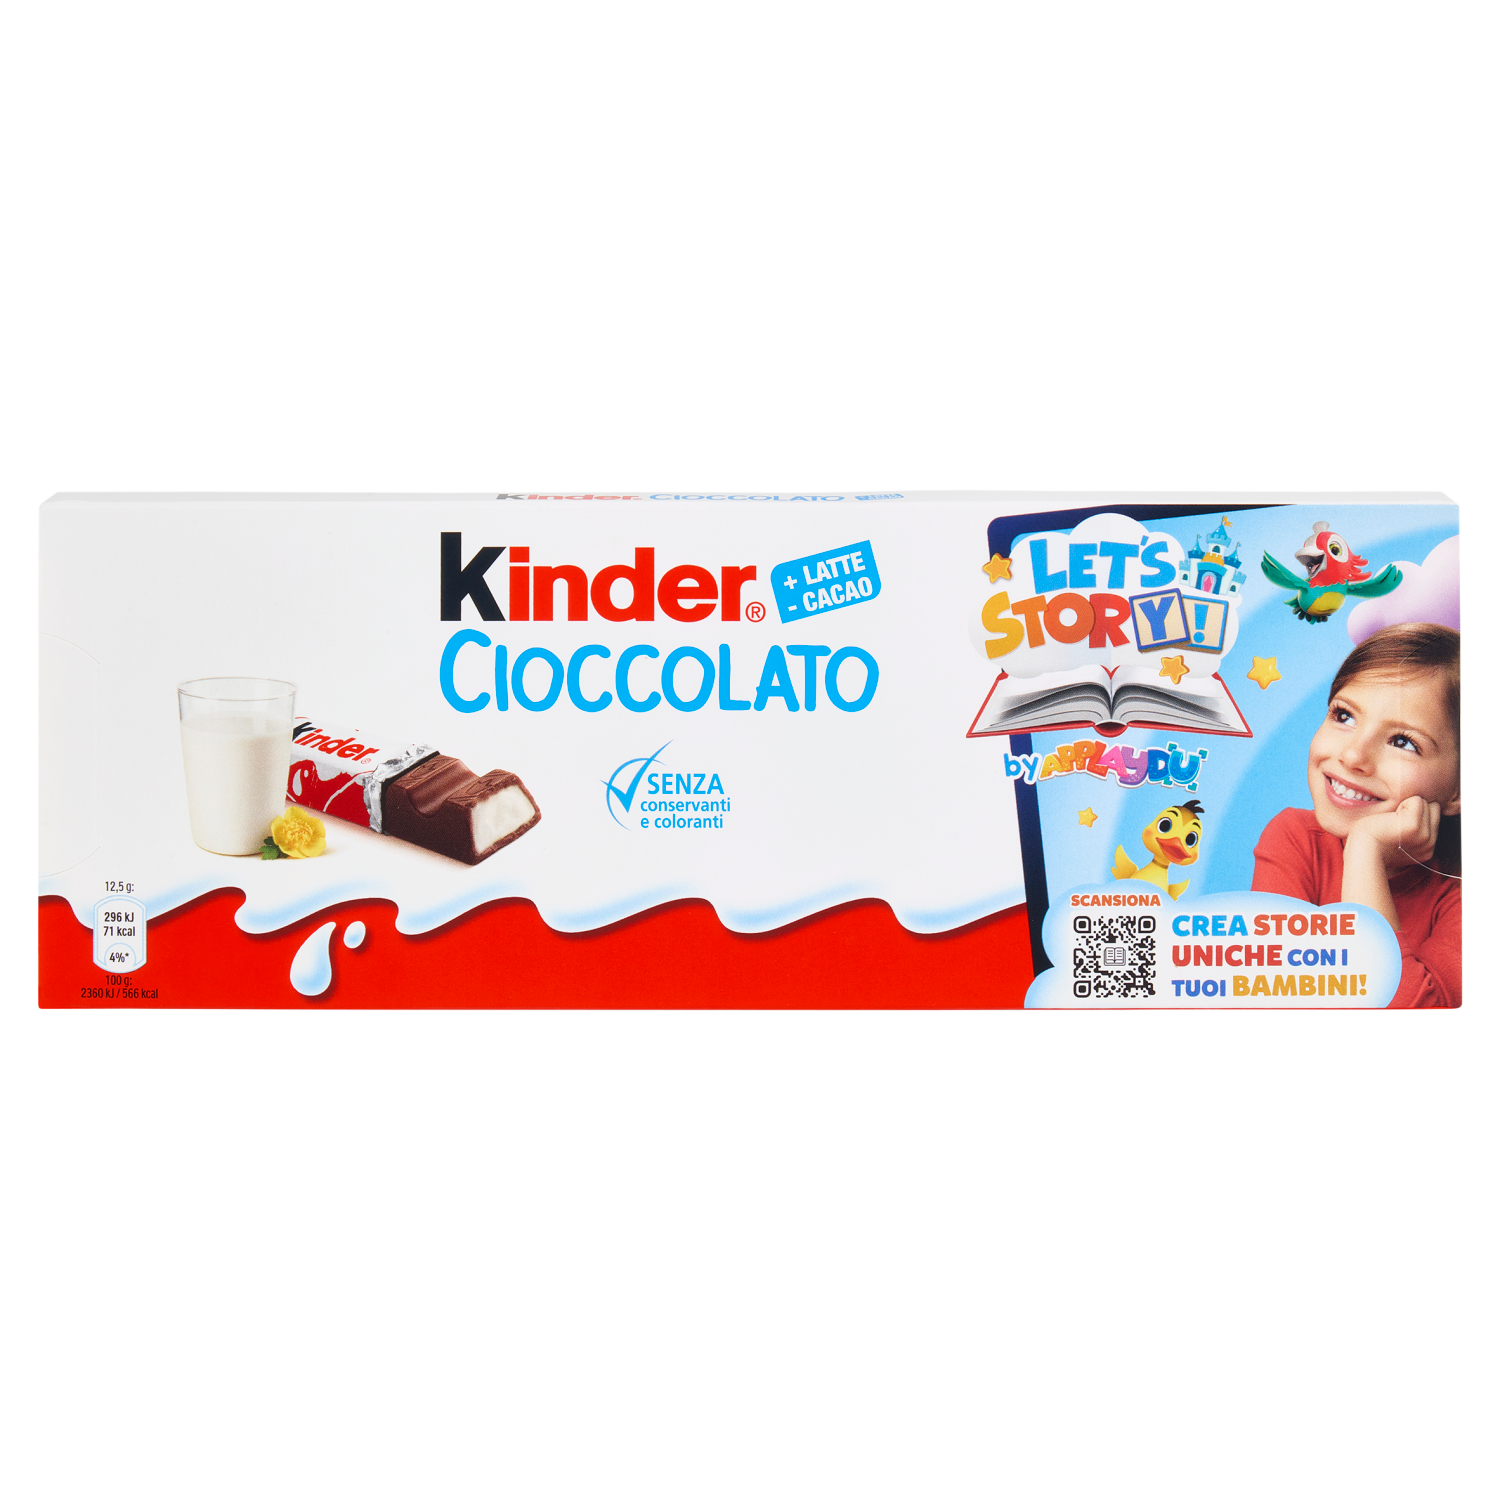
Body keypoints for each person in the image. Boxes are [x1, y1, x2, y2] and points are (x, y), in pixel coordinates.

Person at [1252, 623, 1460, 1007]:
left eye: (1403, 742)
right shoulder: (1295, 838)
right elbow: (1275, 1000)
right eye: (1344, 716)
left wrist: (1365, 850)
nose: (1352, 756)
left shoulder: (1465, 901)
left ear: (1460, 788)